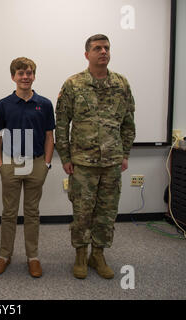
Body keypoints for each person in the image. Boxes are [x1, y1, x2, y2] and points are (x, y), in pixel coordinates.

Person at [55, 34, 136, 279]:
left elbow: (128, 123)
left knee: (107, 212)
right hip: (82, 162)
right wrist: (65, 157)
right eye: (97, 48)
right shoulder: (73, 84)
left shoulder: (121, 84)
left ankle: (97, 255)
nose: (103, 52)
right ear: (87, 54)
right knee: (82, 211)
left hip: (112, 162)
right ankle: (80, 254)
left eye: (107, 48)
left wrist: (125, 153)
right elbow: (61, 124)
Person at [0, 57, 55, 278]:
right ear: (13, 77)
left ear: (34, 76)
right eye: (21, 73)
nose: (25, 77)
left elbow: (49, 135)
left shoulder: (44, 104)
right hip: (10, 162)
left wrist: (46, 163)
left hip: (36, 163)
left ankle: (33, 257)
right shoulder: (4, 104)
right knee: (9, 213)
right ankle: (4, 255)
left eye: (29, 73)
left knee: (32, 213)